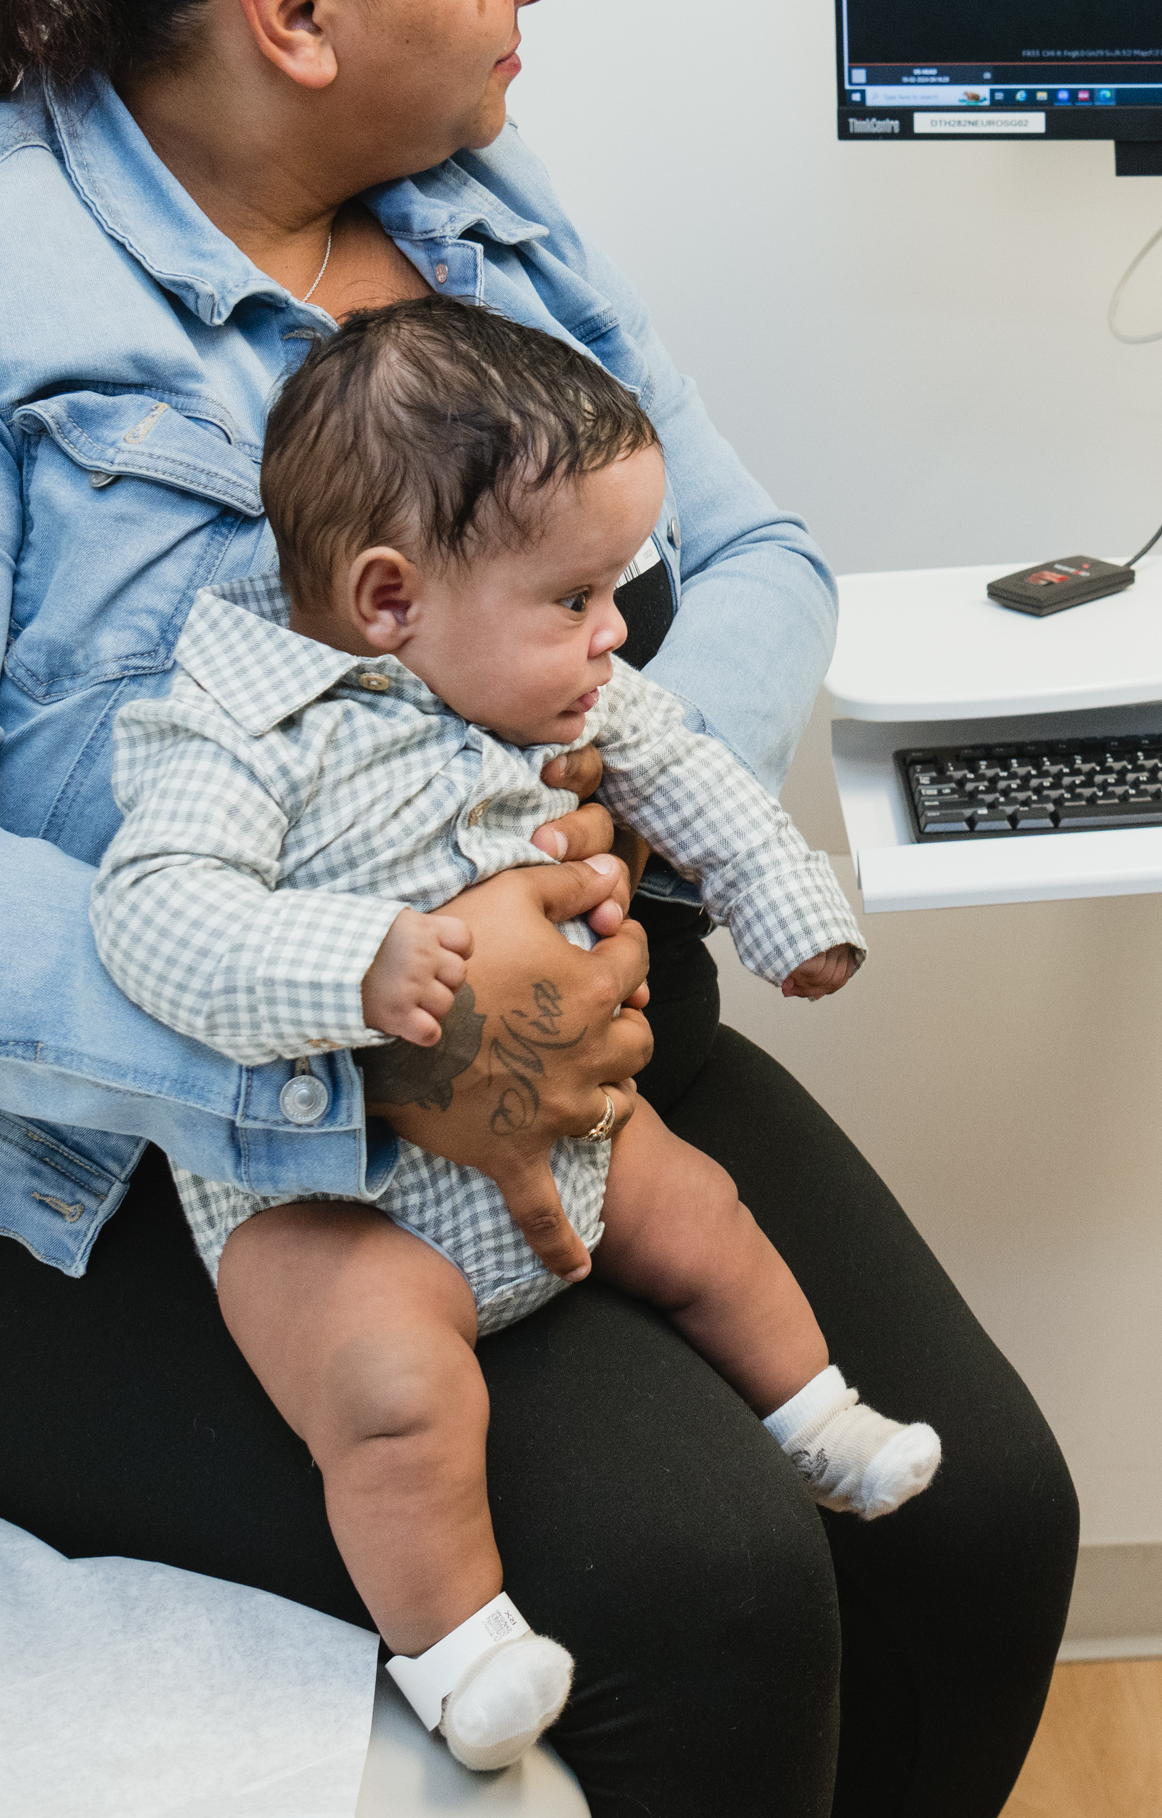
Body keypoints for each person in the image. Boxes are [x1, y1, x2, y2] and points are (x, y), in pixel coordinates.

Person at [0, 0, 1076, 1818]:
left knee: (975, 1520)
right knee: (703, 1595)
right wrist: (363, 1017)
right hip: (80, 1172)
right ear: (294, 12)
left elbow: (758, 547)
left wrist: (603, 821)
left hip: (567, 1052)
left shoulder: (473, 211)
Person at [91, 297, 941, 1771]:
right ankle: (459, 1645)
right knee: (394, 1399)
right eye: (578, 599)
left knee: (706, 1214)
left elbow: (696, 784)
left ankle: (816, 1415)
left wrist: (786, 905)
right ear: (388, 599)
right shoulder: (232, 733)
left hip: (572, 1127)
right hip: (335, 1196)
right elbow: (155, 911)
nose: (616, 635)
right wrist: (358, 963)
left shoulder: (553, 690)